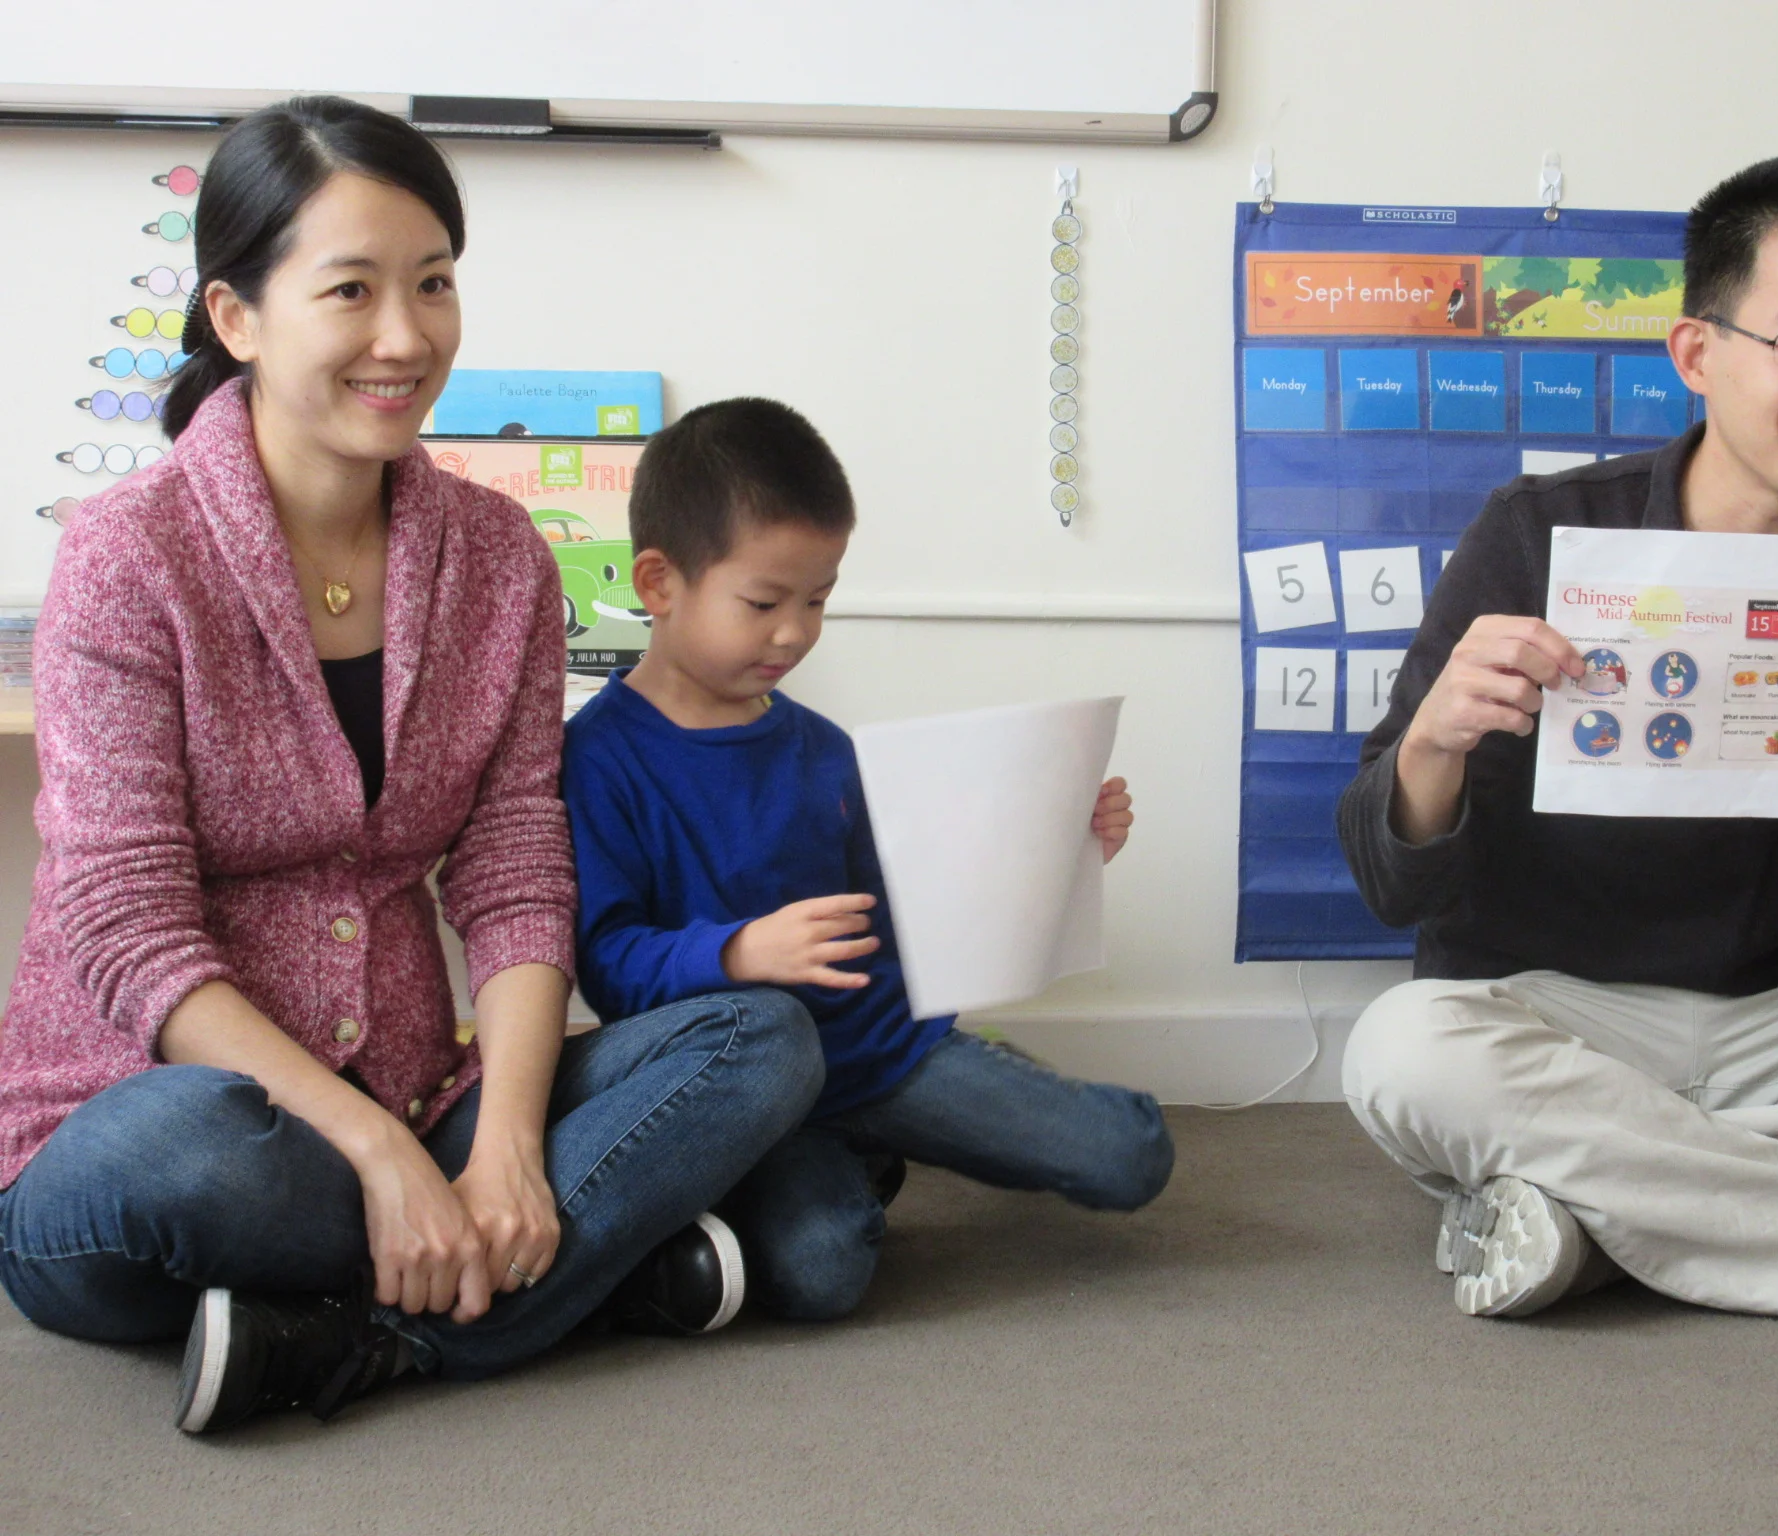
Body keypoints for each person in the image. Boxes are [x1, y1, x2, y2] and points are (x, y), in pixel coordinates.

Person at [0, 97, 823, 1435]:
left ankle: (347, 1341)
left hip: (415, 1087)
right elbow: (123, 929)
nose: (407, 335)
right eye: (352, 290)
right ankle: (576, 1277)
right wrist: (378, 1152)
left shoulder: (499, 558)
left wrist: (502, 1138)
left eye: (434, 282)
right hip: (151, 1126)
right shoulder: (126, 555)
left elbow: (512, 868)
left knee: (764, 1041)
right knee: (211, 1154)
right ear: (239, 318)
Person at [1337, 153, 1778, 1321]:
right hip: (1549, 1016)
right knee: (1404, 1051)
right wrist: (1430, 752)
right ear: (1696, 353)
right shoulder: (1535, 537)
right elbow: (1384, 882)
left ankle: (1597, 1217)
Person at [561, 397, 1175, 1321]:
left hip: (883, 1055)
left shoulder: (824, 748)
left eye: (818, 601)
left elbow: (910, 912)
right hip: (750, 1092)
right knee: (822, 1271)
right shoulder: (599, 759)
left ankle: (879, 1138)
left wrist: (1063, 847)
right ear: (658, 583)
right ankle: (816, 1175)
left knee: (1134, 1157)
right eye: (764, 603)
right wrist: (735, 955)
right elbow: (605, 960)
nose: (795, 632)